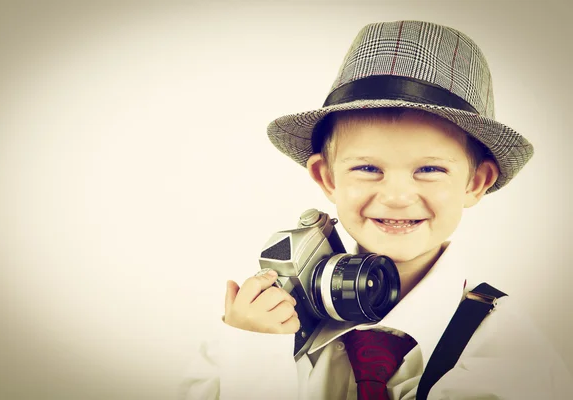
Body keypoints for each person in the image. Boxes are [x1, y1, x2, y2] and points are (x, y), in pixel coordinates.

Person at [179, 20, 572, 399]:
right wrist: (255, 353)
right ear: (327, 178)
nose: (398, 196)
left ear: (476, 182)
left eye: (430, 169)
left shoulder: (511, 359)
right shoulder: (252, 336)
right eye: (368, 168)